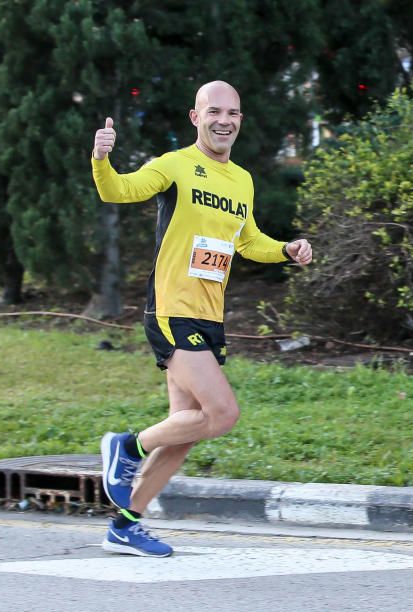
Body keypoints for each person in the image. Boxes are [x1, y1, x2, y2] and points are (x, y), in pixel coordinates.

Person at [91, 81, 313, 557]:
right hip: (172, 308)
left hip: (210, 316)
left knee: (186, 429)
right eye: (214, 111)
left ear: (240, 120)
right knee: (221, 414)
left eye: (232, 113)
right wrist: (101, 158)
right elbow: (118, 191)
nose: (224, 120)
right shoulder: (174, 165)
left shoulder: (242, 180)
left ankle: (125, 526)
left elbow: (247, 241)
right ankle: (126, 446)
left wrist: (286, 250)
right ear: (195, 117)